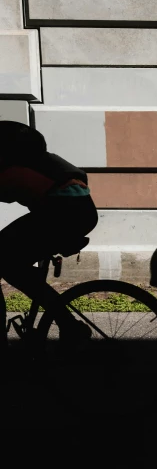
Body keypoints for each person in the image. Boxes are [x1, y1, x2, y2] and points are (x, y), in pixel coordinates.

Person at [0, 121, 98, 342]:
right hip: (80, 213)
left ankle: (70, 326)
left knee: (9, 264)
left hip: (62, 215)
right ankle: (66, 324)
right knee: (12, 260)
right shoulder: (45, 162)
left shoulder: (15, 171)